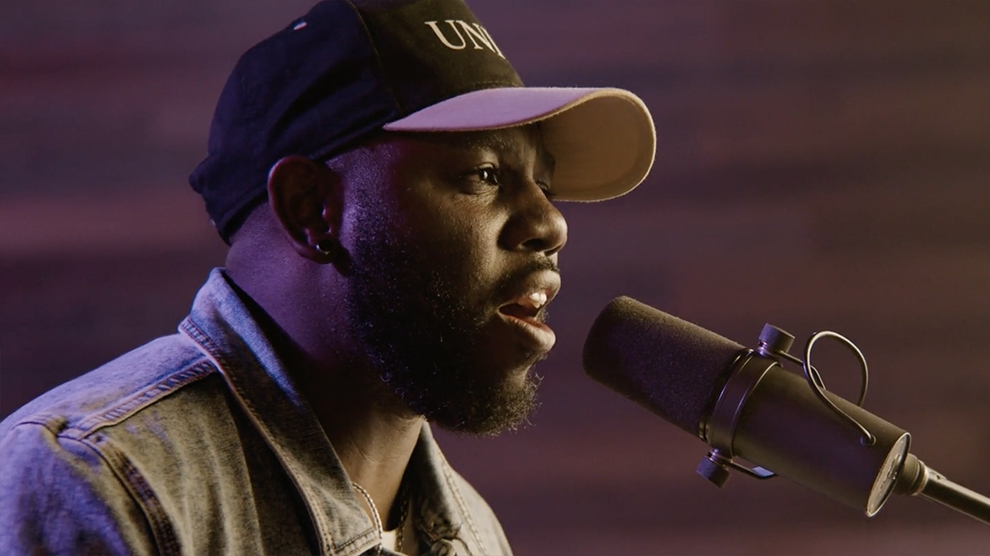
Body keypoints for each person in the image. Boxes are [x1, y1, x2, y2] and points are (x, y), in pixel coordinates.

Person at [0, 0, 655, 554]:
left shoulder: (475, 534)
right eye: (484, 175)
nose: (551, 223)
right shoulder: (95, 479)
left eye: (544, 185)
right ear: (312, 209)